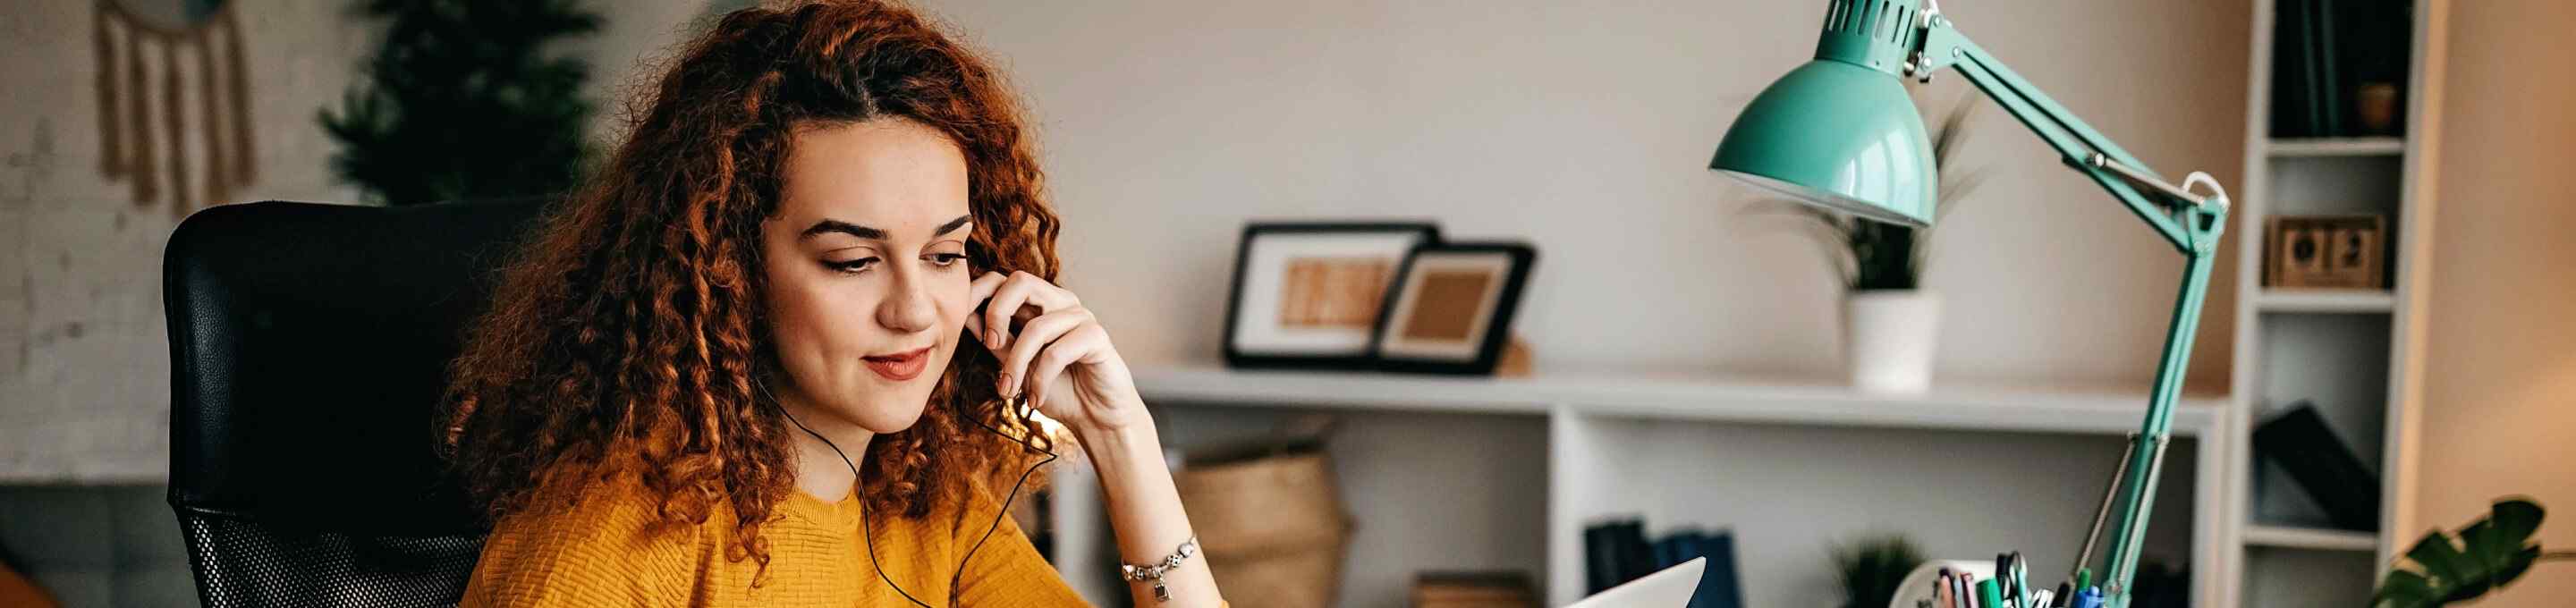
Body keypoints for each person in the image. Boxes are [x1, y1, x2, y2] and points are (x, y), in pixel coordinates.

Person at [438, 2, 1222, 605]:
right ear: (728, 271)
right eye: (852, 261)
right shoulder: (609, 540)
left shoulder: (926, 504)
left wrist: (1124, 441)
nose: (915, 310)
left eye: (946, 254)